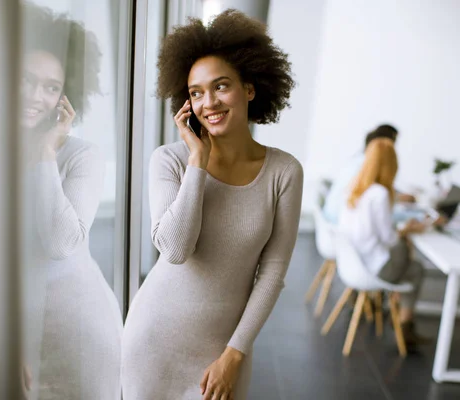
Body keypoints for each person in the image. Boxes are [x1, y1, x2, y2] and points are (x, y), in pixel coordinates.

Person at [121, 10, 303, 400]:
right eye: (196, 92)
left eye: (221, 86)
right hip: (152, 342)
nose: (209, 102)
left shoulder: (284, 171)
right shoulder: (170, 160)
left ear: (249, 89)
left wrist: (234, 354)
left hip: (224, 352)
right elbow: (174, 249)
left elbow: (272, 272)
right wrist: (197, 163)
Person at [21, 3, 122, 399]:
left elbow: (62, 243)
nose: (34, 96)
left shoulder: (81, 155)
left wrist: (45, 154)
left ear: (66, 96)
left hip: (80, 337)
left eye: (50, 87)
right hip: (12, 338)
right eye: (24, 80)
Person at [339, 138, 427, 345]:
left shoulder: (354, 188)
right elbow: (389, 238)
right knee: (414, 266)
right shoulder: (379, 194)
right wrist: (407, 230)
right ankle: (405, 324)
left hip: (354, 264)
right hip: (374, 268)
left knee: (411, 263)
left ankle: (398, 312)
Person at [323, 124, 415, 224]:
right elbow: (381, 215)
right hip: (340, 224)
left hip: (333, 222)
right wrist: (417, 217)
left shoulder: (357, 161)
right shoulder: (366, 167)